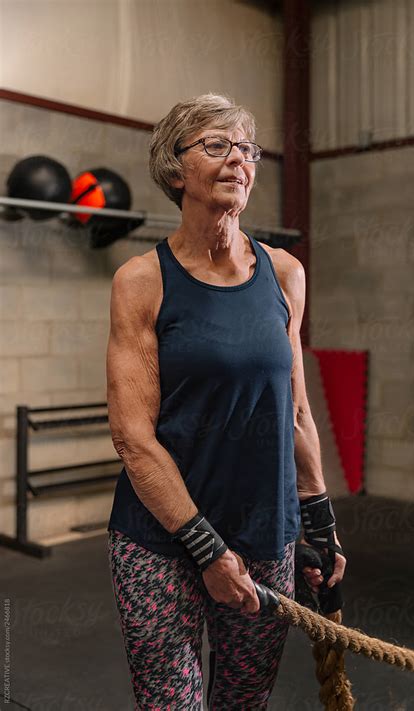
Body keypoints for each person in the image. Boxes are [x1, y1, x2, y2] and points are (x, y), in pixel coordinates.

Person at [106, 92, 346, 710]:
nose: (238, 159)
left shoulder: (285, 272)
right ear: (175, 170)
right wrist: (208, 551)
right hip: (161, 541)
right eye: (217, 146)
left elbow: (294, 409)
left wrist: (318, 521)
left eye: (247, 148)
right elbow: (134, 437)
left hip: (267, 534)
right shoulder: (142, 281)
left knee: (243, 702)